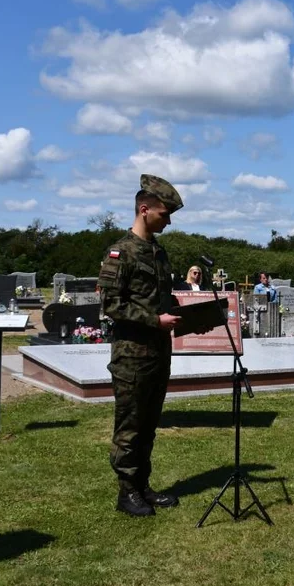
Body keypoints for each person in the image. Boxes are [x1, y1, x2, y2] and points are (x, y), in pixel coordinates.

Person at [97, 174, 184, 518]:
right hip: (132, 354)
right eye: (164, 214)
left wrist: (179, 310)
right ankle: (126, 491)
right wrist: (155, 320)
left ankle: (143, 484)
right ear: (144, 210)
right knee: (130, 425)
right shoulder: (121, 252)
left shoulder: (158, 252)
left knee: (149, 423)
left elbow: (160, 297)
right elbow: (112, 305)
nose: (169, 221)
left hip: (158, 352)